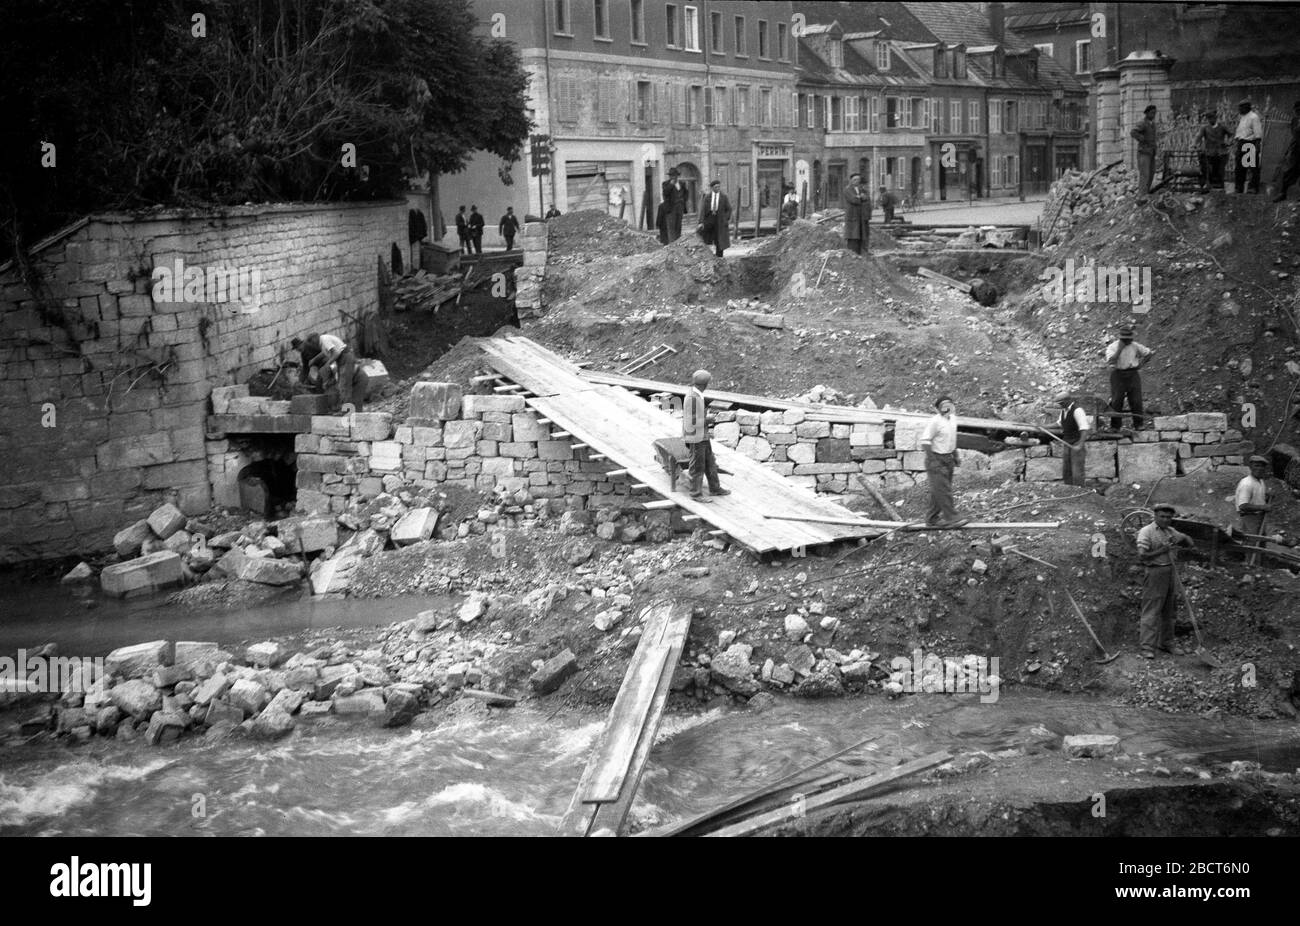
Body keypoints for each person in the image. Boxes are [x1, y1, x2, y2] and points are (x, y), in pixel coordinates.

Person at [1135, 503, 1195, 659]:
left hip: (1170, 571)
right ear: (1155, 516)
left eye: (1169, 517)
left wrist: (1186, 540)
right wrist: (1162, 550)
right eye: (1162, 516)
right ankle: (1147, 647)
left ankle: (1166, 643)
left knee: (1170, 611)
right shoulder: (1146, 531)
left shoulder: (1170, 531)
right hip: (1155, 572)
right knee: (1152, 610)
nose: (1166, 520)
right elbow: (1142, 555)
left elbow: (1187, 540)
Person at [919, 395, 968, 528]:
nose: (947, 408)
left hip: (948, 458)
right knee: (943, 490)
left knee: (938, 491)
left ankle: (931, 519)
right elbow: (925, 441)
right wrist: (932, 460)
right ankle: (951, 517)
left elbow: (952, 439)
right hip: (936, 458)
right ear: (938, 409)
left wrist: (955, 455)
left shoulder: (953, 419)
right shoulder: (935, 421)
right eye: (943, 406)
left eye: (949, 405)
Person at [682, 369, 730, 500]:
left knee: (710, 462)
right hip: (695, 437)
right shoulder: (692, 398)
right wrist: (707, 419)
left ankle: (715, 488)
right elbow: (690, 422)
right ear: (705, 384)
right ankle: (695, 494)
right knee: (697, 466)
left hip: (702, 435)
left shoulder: (696, 394)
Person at [294, 332, 363, 413]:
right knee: (336, 385)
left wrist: (323, 363)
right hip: (337, 360)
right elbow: (306, 368)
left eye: (298, 347)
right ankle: (332, 407)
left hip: (338, 359)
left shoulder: (322, 341)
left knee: (343, 385)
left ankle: (344, 410)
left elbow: (332, 353)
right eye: (296, 348)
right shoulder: (309, 351)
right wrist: (300, 380)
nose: (298, 349)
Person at [1105, 326, 1154, 430]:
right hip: (1118, 374)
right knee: (1117, 401)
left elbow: (1149, 353)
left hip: (1132, 374)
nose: (1128, 341)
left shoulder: (1135, 346)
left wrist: (1141, 364)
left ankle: (1138, 424)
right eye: (1126, 339)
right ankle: (1115, 426)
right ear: (1121, 339)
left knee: (1136, 400)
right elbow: (1111, 361)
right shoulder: (1112, 347)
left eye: (1129, 339)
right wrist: (1119, 349)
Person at [1235, 455, 1273, 566]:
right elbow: (1243, 505)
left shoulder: (1260, 481)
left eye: (1262, 466)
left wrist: (1266, 496)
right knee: (1252, 542)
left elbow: (1256, 497)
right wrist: (1263, 507)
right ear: (1251, 467)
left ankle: (1260, 566)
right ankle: (1250, 566)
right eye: (1256, 466)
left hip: (1259, 517)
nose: (1259, 469)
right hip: (1249, 517)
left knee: (1260, 542)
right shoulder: (1247, 484)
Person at [1055, 392, 1090, 486]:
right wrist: (1042, 426)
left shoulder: (1077, 410)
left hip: (1076, 443)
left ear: (1068, 400)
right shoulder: (1063, 410)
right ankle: (1069, 490)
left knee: (1077, 471)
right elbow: (1058, 424)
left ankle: (1079, 491)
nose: (1060, 405)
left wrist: (1080, 445)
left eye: (1061, 403)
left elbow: (1084, 428)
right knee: (1067, 470)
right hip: (1067, 443)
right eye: (1059, 404)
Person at [1196, 111, 1230, 193]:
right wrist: (1196, 144)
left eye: (1213, 118)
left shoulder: (1222, 127)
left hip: (1221, 152)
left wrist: (1228, 142)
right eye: (1209, 118)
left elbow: (1231, 134)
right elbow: (1199, 137)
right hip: (1209, 152)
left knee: (1220, 171)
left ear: (1216, 118)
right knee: (1209, 171)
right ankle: (1210, 187)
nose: (1211, 120)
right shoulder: (1205, 128)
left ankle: (1220, 188)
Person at [1130, 105, 1159, 202]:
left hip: (1151, 152)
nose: (1153, 115)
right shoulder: (1142, 123)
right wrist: (1141, 138)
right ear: (1146, 113)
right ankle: (1141, 195)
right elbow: (1133, 132)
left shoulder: (1153, 124)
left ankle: (1146, 192)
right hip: (1143, 152)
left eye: (1154, 113)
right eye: (1151, 113)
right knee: (1144, 173)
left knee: (1151, 172)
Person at [1233, 99, 1263, 194]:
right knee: (1239, 168)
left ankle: (1252, 188)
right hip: (1241, 143)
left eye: (1241, 107)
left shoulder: (1254, 117)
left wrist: (1257, 147)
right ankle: (1239, 188)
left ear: (1246, 107)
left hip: (1250, 143)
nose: (1239, 109)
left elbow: (1257, 133)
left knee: (1252, 167)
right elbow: (1240, 132)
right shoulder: (1242, 117)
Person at [1273, 100, 1300, 202]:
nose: (1297, 112)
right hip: (1296, 149)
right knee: (1288, 171)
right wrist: (1289, 150)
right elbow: (1295, 134)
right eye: (1296, 110)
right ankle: (1283, 193)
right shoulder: (1295, 120)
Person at [698, 180, 731, 257]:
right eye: (716, 187)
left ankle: (719, 256)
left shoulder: (723, 197)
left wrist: (725, 219)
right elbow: (703, 210)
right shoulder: (707, 197)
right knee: (704, 237)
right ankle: (706, 255)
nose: (718, 188)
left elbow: (729, 209)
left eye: (719, 187)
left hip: (719, 220)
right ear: (712, 188)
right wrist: (701, 222)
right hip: (709, 219)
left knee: (719, 239)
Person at [844, 173, 871, 254]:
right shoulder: (847, 189)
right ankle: (852, 253)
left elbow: (867, 198)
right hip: (852, 215)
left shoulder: (861, 189)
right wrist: (861, 198)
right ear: (851, 181)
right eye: (855, 179)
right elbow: (853, 200)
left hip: (861, 216)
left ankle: (861, 253)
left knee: (861, 234)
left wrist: (862, 197)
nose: (857, 181)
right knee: (853, 235)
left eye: (858, 179)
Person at [661, 167, 686, 243]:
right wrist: (671, 185)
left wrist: (683, 201)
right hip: (671, 209)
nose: (673, 177)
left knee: (678, 226)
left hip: (680, 208)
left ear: (677, 176)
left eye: (675, 175)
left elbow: (686, 193)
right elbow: (665, 193)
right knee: (671, 227)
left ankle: (678, 243)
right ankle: (672, 244)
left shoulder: (682, 184)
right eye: (671, 176)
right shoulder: (665, 184)